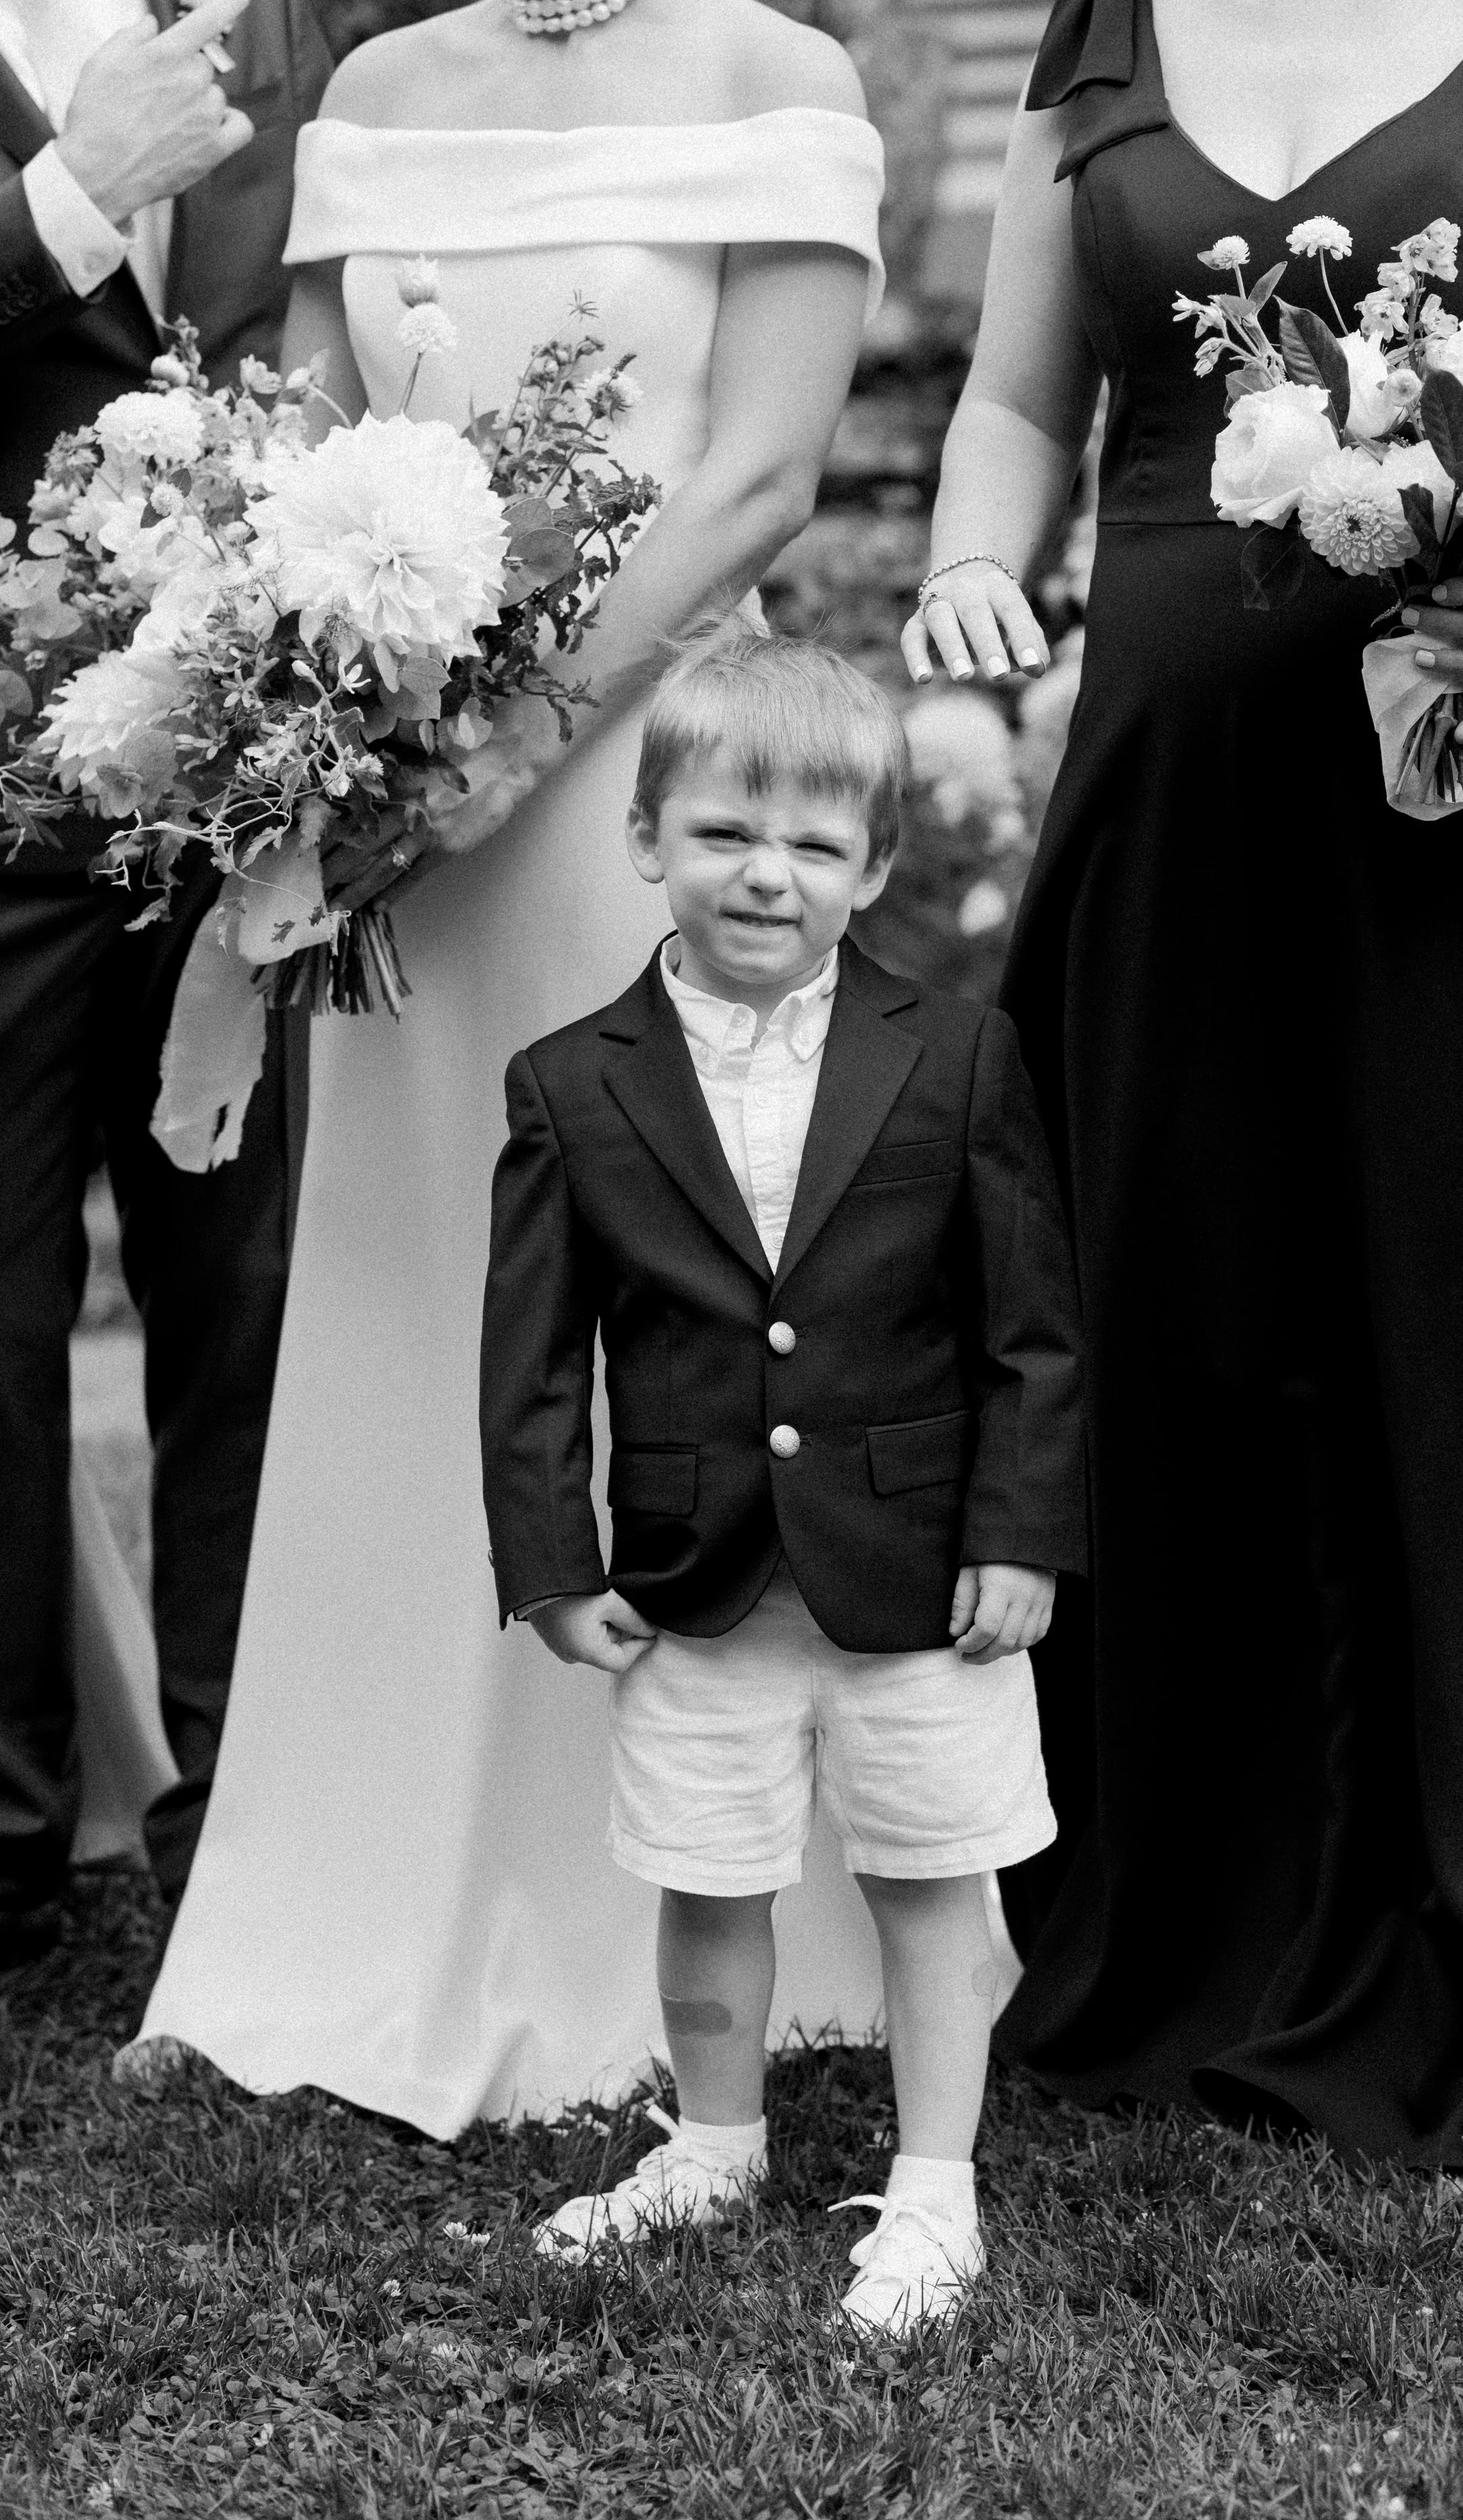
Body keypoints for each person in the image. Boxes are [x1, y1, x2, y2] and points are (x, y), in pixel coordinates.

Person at [901, 0, 1463, 2175]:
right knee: (1181, 1331)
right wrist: (972, 563)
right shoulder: (1099, 34)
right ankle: (1195, 1920)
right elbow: (1012, 401)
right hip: (1178, 799)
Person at [129, 0, 899, 2127]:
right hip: (392, 815)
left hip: (625, 797)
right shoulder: (376, 90)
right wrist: (317, 724)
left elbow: (756, 471)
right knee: (396, 1304)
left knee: (642, 1314)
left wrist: (517, 736)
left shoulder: (784, 73)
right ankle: (341, 1888)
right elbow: (277, 450)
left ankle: (662, 1917)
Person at [479, 631, 1085, 2330]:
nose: (769, 874)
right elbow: (531, 1353)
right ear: (649, 839)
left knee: (928, 1874)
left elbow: (1029, 1332)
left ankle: (937, 2187)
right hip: (695, 1567)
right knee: (708, 1871)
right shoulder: (569, 1083)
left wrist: (1020, 1537)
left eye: (817, 845)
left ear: (874, 865)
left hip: (918, 1584)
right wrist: (548, 1557)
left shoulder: (954, 1056)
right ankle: (714, 2142)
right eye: (729, 833)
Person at [0, 0, 336, 1961]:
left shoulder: (291, 21)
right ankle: (11, 1846)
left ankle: (252, 1814)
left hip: (252, 792)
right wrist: (63, 194)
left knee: (258, 1313)